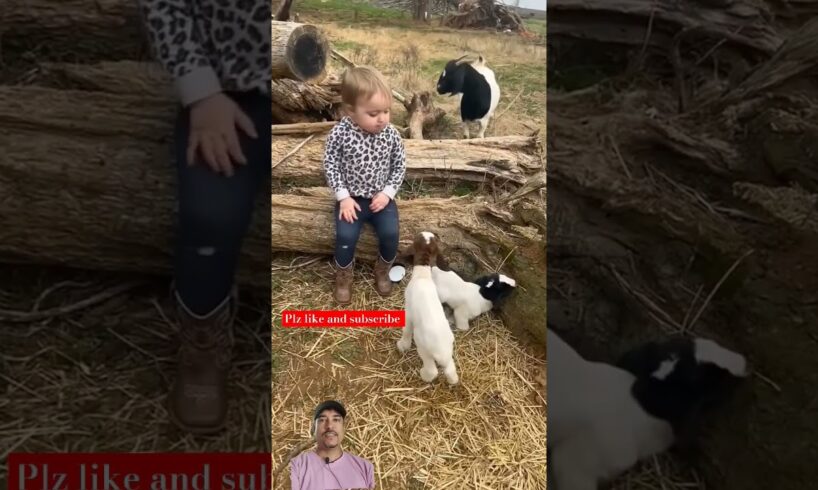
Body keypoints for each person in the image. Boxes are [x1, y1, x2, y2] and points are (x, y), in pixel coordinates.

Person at [137, 0, 271, 434]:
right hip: (231, 89)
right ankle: (201, 344)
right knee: (209, 215)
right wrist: (202, 92)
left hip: (322, 90)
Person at [322, 66, 407, 304]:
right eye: (373, 113)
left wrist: (388, 193)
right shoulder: (340, 134)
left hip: (380, 199)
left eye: (386, 111)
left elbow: (400, 166)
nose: (382, 119)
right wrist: (343, 197)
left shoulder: (391, 135)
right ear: (350, 110)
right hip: (351, 200)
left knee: (391, 233)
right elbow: (331, 165)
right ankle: (343, 277)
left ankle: (381, 270)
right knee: (345, 236)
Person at [291, 400, 375, 490]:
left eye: (336, 420)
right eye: (322, 420)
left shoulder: (365, 467)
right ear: (313, 429)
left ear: (344, 428)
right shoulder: (296, 466)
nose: (330, 426)